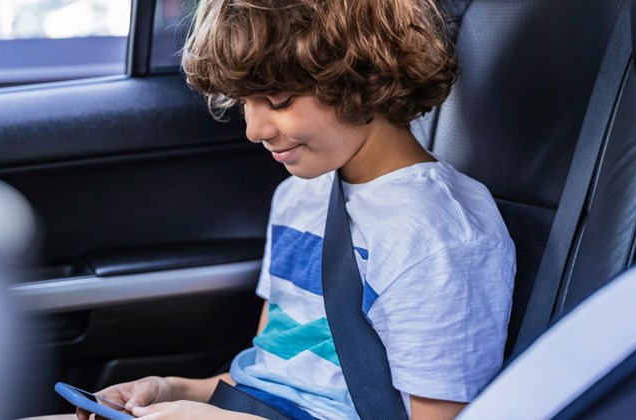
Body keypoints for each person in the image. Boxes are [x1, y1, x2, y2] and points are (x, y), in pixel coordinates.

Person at [78, 0, 516, 418]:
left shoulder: (440, 237)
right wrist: (173, 389)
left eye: (278, 100)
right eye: (243, 100)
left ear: (360, 72)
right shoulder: (299, 197)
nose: (253, 129)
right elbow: (275, 378)